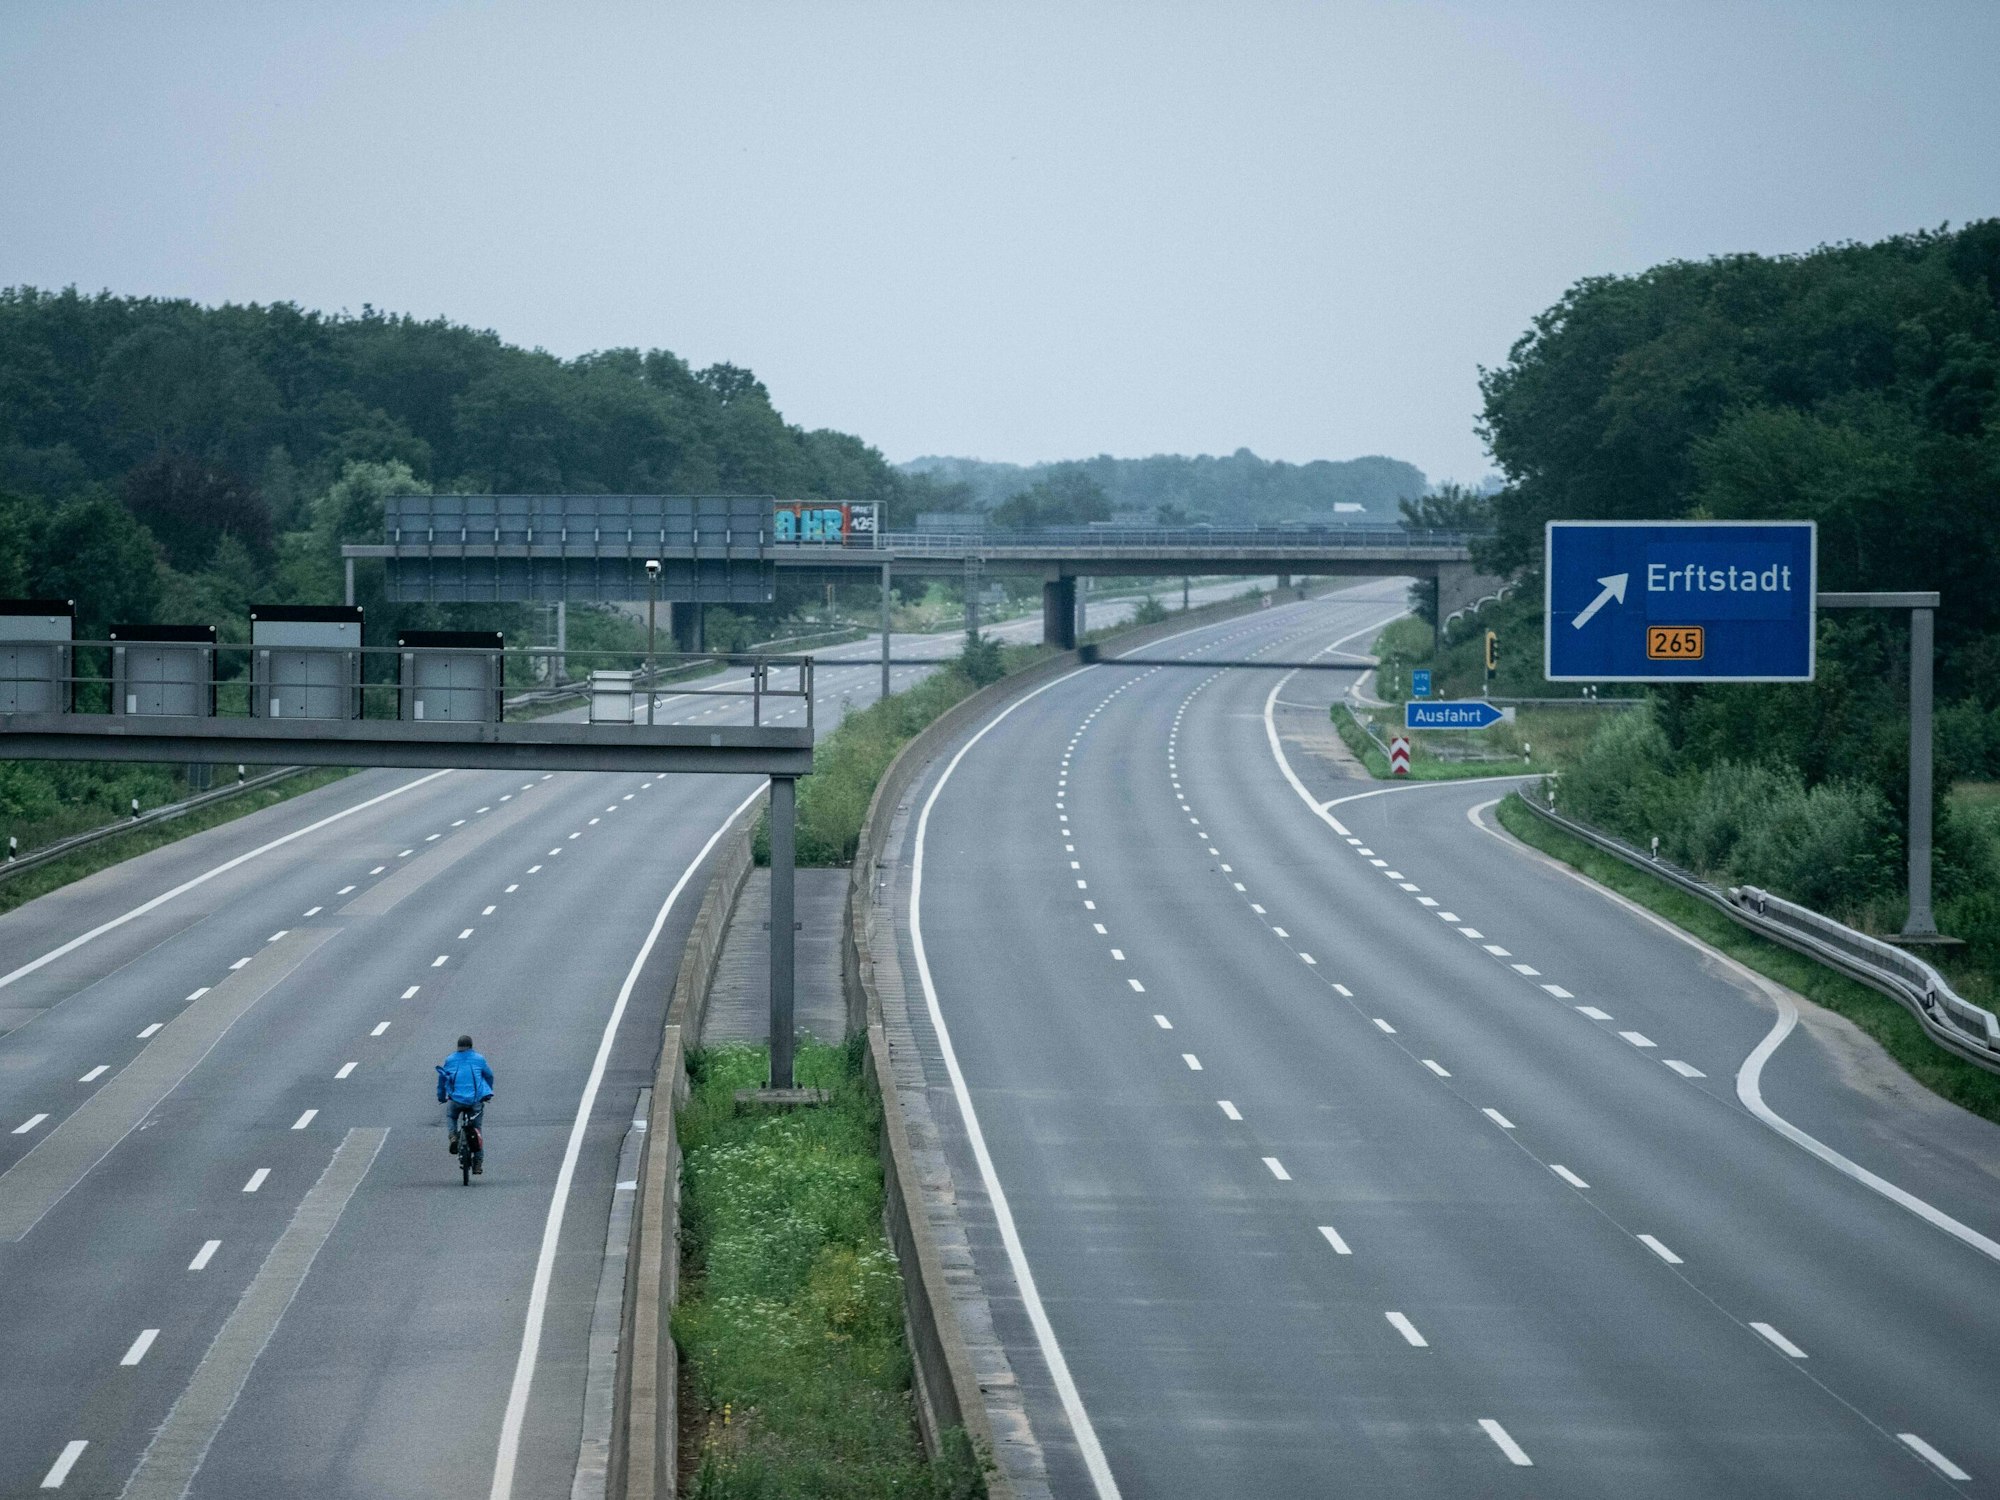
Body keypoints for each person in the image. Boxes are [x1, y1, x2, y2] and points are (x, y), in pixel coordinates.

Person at [436, 1034, 495, 1174]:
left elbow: (442, 1080)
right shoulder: (479, 1059)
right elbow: (489, 1075)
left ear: (458, 1047)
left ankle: (453, 1136)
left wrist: (441, 1097)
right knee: (477, 1129)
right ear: (471, 1046)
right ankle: (478, 1163)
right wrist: (488, 1092)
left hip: (455, 1099)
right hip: (475, 1101)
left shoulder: (450, 1059)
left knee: (451, 1116)